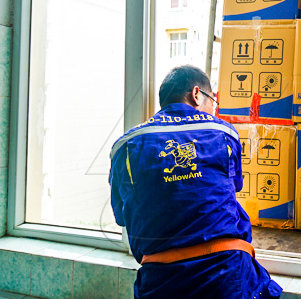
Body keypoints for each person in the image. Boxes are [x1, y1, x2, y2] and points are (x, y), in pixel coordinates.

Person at [109, 65, 282, 299]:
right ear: (197, 94)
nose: (213, 110)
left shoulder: (125, 146)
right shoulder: (224, 132)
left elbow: (122, 217)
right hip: (225, 276)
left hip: (161, 283)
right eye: (214, 102)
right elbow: (233, 188)